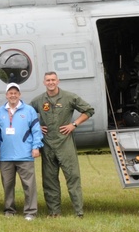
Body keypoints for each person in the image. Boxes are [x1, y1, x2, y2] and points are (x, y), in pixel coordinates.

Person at [30, 71, 95, 217]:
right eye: (48, 80)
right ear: (44, 82)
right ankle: (54, 212)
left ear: (58, 81)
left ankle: (79, 212)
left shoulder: (69, 97)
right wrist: (37, 127)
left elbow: (89, 110)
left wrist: (74, 124)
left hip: (65, 144)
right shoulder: (39, 100)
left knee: (73, 178)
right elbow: (26, 115)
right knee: (49, 180)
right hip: (47, 145)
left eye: (53, 80)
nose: (51, 82)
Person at [0, 83, 43, 219]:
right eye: (10, 93)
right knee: (7, 185)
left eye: (15, 93)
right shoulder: (0, 111)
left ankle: (30, 212)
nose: (13, 95)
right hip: (5, 156)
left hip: (25, 154)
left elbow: (36, 130)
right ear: (6, 95)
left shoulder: (29, 110)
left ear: (19, 95)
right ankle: (9, 210)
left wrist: (36, 146)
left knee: (29, 185)